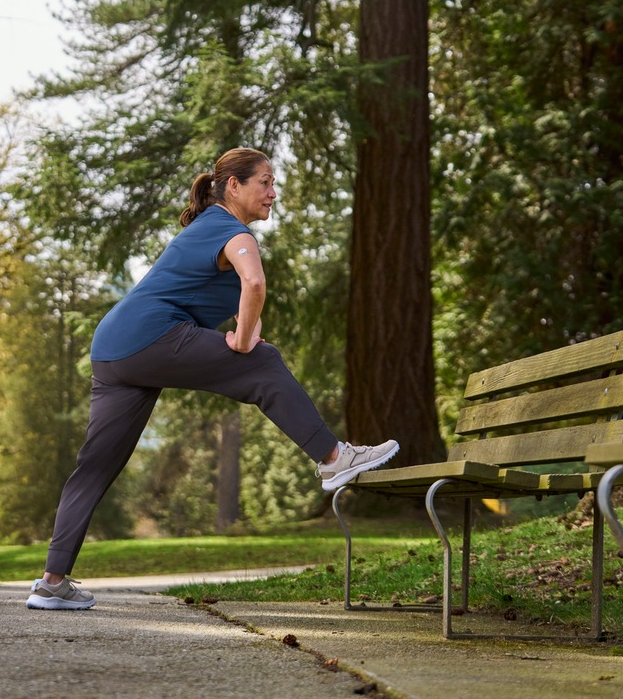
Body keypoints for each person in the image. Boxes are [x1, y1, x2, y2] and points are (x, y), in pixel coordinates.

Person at [26, 147, 399, 611]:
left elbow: (249, 313)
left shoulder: (210, 229)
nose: (273, 192)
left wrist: (246, 338)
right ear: (233, 186)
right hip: (149, 336)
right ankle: (334, 457)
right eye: (264, 181)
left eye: (273, 182)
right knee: (263, 362)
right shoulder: (230, 229)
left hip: (113, 349)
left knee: (96, 466)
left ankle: (51, 582)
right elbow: (255, 286)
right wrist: (243, 344)